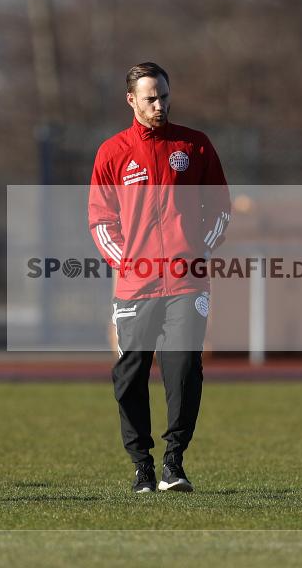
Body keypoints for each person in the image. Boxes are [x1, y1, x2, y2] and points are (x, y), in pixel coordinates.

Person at [88, 62, 231, 493]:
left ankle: (174, 463)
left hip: (187, 282)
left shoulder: (196, 146)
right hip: (136, 283)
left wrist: (197, 252)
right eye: (150, 98)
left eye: (164, 96)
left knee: (184, 367)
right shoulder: (112, 153)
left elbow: (221, 209)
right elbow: (100, 221)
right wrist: (128, 262)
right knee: (130, 372)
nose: (159, 105)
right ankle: (141, 466)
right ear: (131, 100)